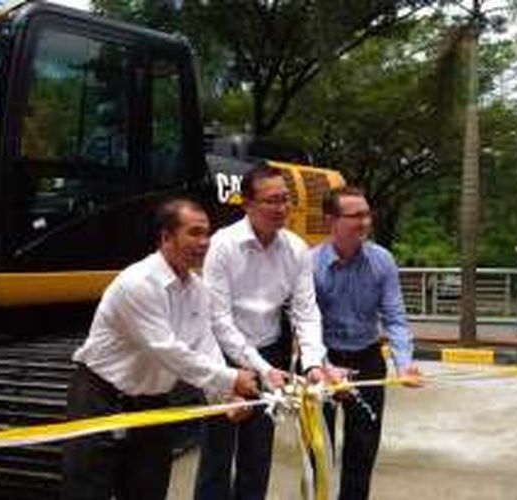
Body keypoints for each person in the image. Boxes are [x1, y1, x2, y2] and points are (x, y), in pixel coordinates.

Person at [63, 198, 259, 500]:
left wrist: (226, 397)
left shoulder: (197, 288)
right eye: (194, 233)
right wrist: (230, 379)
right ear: (166, 237)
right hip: (101, 398)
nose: (204, 242)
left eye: (207, 233)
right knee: (88, 492)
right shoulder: (138, 283)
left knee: (149, 488)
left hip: (151, 402)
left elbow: (203, 345)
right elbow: (167, 350)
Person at [194, 162, 331, 500]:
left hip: (270, 351)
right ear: (248, 204)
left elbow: (306, 312)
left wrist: (313, 362)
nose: (281, 208)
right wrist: (261, 369)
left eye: (285, 199)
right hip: (223, 356)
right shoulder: (223, 245)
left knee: (258, 453)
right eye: (272, 200)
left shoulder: (296, 249)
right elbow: (219, 320)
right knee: (217, 452)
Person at [311, 186, 421, 500]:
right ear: (331, 220)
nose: (364, 222)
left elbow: (395, 318)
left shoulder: (382, 260)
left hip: (367, 360)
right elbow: (304, 325)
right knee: (319, 449)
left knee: (362, 449)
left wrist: (404, 364)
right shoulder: (310, 265)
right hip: (323, 362)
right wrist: (323, 367)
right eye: (355, 216)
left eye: (367, 214)